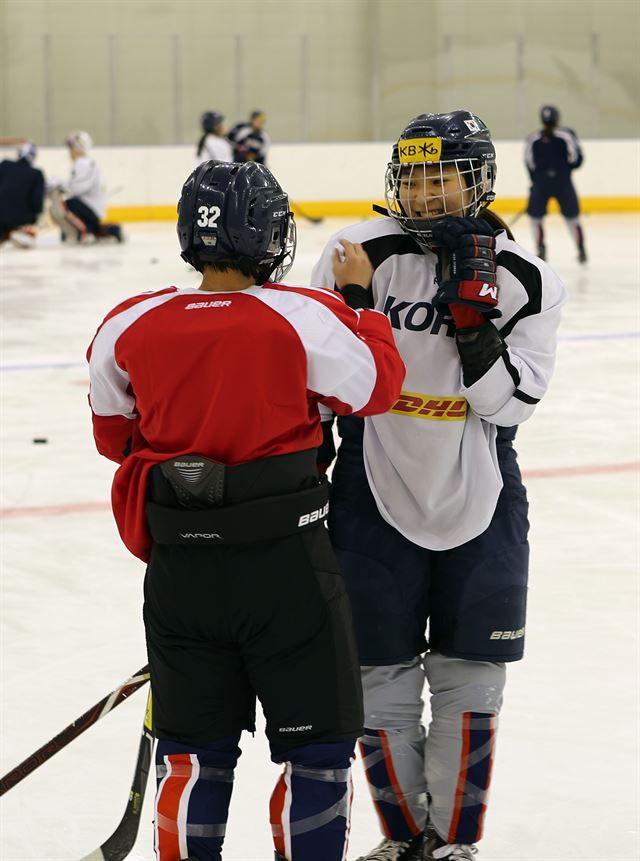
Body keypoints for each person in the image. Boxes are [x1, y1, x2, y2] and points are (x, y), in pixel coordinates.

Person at [86, 159, 405, 861]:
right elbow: (377, 387)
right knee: (318, 751)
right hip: (287, 570)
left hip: (180, 574)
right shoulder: (304, 314)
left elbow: (115, 436)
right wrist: (363, 304)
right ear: (267, 233)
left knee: (192, 752)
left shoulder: (127, 322)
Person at [311, 110, 567, 861]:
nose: (423, 194)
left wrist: (472, 313)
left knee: (470, 676)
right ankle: (404, 839)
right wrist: (357, 305)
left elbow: (506, 403)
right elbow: (326, 380)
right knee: (377, 674)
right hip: (371, 481)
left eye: (441, 176)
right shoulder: (356, 254)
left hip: (480, 492)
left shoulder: (526, 277)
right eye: (413, 177)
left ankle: (450, 842)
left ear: (477, 179)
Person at [525, 105, 586, 263]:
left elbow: (529, 163)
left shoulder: (533, 138)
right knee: (573, 218)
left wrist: (537, 180)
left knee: (535, 219)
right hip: (563, 182)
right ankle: (581, 250)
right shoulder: (567, 135)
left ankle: (541, 249)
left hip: (540, 184)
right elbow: (577, 159)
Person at [49, 130, 122, 243]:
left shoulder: (83, 163)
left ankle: (83, 233)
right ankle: (103, 230)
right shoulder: (85, 163)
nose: (69, 151)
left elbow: (79, 187)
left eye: (71, 147)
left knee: (62, 206)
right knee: (68, 204)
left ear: (78, 147)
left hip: (91, 208)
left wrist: (60, 184)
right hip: (92, 207)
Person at [0, 142, 45, 246]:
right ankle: (16, 232)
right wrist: (35, 217)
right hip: (19, 220)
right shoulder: (36, 174)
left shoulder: (4, 165)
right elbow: (37, 203)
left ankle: (5, 234)